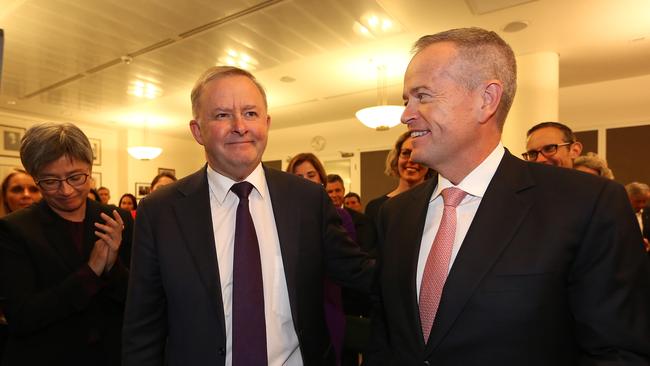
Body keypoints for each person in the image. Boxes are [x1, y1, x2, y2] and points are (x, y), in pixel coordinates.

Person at [368, 27, 650, 365]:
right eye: (406, 100)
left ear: (486, 99)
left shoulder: (586, 204)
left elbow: (617, 352)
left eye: (423, 96)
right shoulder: (395, 214)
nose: (406, 114)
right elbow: (385, 335)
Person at [123, 66, 373, 366]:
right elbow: (143, 327)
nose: (240, 126)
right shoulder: (161, 211)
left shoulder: (307, 200)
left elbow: (362, 274)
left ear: (266, 123)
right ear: (197, 130)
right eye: (222, 115)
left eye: (251, 113)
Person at [0, 122, 132, 366]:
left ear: (90, 170)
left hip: (111, 354)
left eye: (76, 177)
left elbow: (136, 299)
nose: (66, 190)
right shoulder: (15, 229)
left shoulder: (115, 219)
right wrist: (91, 272)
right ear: (35, 177)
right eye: (50, 181)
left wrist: (113, 267)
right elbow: (22, 317)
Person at [364, 131, 433, 223]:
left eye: (419, 153)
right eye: (405, 153)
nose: (411, 160)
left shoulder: (436, 205)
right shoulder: (375, 207)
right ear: (397, 158)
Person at [625, 182, 650, 250]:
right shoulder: (618, 214)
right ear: (627, 199)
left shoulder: (648, 212)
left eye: (644, 201)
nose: (641, 205)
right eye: (637, 201)